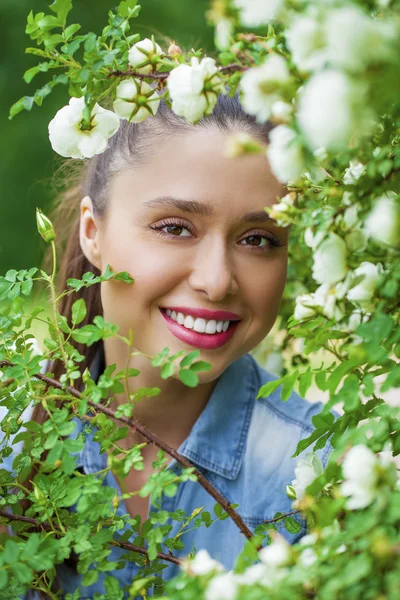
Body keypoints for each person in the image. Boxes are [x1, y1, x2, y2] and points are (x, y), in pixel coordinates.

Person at [1, 95, 332, 599]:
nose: (217, 281)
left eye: (259, 239)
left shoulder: (327, 475)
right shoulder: (10, 457)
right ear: (94, 233)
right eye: (175, 228)